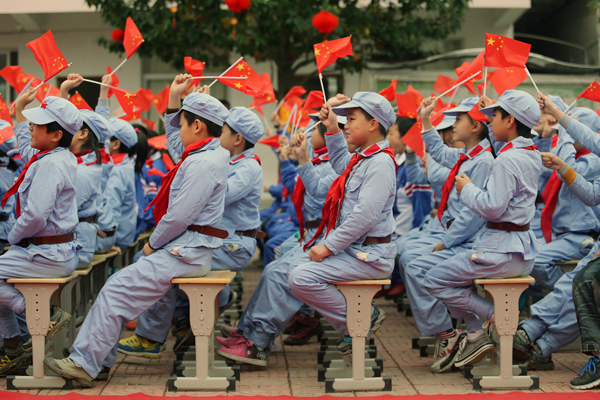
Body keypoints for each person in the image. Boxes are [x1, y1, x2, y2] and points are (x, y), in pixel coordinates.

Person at [43, 75, 230, 388]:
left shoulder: (202, 162)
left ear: (197, 127)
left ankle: (85, 362)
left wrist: (153, 245)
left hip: (184, 250)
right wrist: (174, 100)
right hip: (189, 248)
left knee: (115, 291)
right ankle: (94, 361)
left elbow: (178, 217)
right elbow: (175, 144)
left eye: (183, 122)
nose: (177, 129)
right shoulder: (208, 153)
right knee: (117, 287)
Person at [117, 106, 265, 357]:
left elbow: (214, 193)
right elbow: (179, 143)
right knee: (163, 260)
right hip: (219, 240)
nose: (217, 137)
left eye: (224, 131)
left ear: (238, 139)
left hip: (232, 245)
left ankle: (150, 337)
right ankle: (185, 319)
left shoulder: (248, 167)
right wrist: (177, 102)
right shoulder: (225, 159)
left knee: (157, 261)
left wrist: (194, 180)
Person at [424, 89, 543, 368]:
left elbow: (491, 208)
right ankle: (477, 331)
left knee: (433, 279)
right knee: (449, 274)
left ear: (510, 121)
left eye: (495, 117)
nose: (489, 122)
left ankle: (490, 318)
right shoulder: (529, 152)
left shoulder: (507, 158)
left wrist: (467, 190)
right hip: (519, 251)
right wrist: (495, 107)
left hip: (499, 253)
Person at [286, 92, 397, 356]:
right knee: (294, 268)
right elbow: (338, 162)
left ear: (372, 124)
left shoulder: (379, 163)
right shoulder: (363, 158)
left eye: (351, 118)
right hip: (356, 251)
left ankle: (360, 320)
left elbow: (364, 216)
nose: (346, 124)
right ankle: (354, 324)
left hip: (370, 255)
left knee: (301, 277)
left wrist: (329, 246)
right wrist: (332, 127)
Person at [402, 97, 495, 373]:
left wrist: (446, 242)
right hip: (457, 235)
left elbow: (473, 214)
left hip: (468, 240)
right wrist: (427, 120)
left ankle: (452, 332)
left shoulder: (483, 161)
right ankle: (473, 332)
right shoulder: (468, 155)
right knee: (416, 263)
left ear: (476, 126)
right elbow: (439, 153)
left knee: (418, 267)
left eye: (457, 120)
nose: (452, 126)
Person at [0, 92, 81, 375]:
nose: (31, 127)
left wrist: (13, 240)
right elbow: (26, 145)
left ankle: (40, 314)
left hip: (47, 252)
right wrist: (19, 108)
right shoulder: (52, 155)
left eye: (38, 124)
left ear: (56, 134)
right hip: (49, 249)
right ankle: (12, 345)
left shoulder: (50, 163)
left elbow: (35, 215)